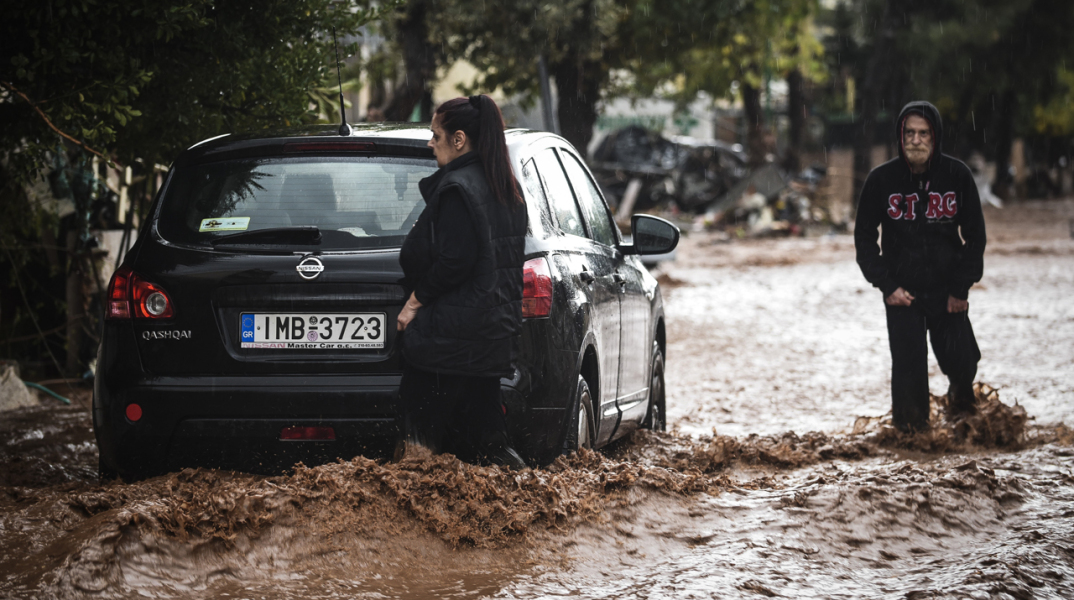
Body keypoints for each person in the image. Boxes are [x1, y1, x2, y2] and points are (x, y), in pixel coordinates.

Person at [395, 94, 528, 468]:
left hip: (446, 345)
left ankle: (406, 527)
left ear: (459, 139)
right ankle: (521, 508)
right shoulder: (504, 187)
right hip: (486, 343)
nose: (429, 143)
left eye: (435, 135)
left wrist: (414, 301)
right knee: (486, 447)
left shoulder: (459, 189)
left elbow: (456, 260)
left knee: (417, 454)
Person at [854, 101, 987, 433]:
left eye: (923, 133)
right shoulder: (881, 180)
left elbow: (976, 236)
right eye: (909, 133)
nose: (916, 140)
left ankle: (964, 427)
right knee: (909, 375)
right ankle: (913, 448)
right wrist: (887, 286)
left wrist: (960, 288)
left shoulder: (957, 176)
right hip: (903, 294)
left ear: (935, 136)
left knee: (963, 363)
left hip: (948, 292)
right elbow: (864, 240)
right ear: (900, 137)